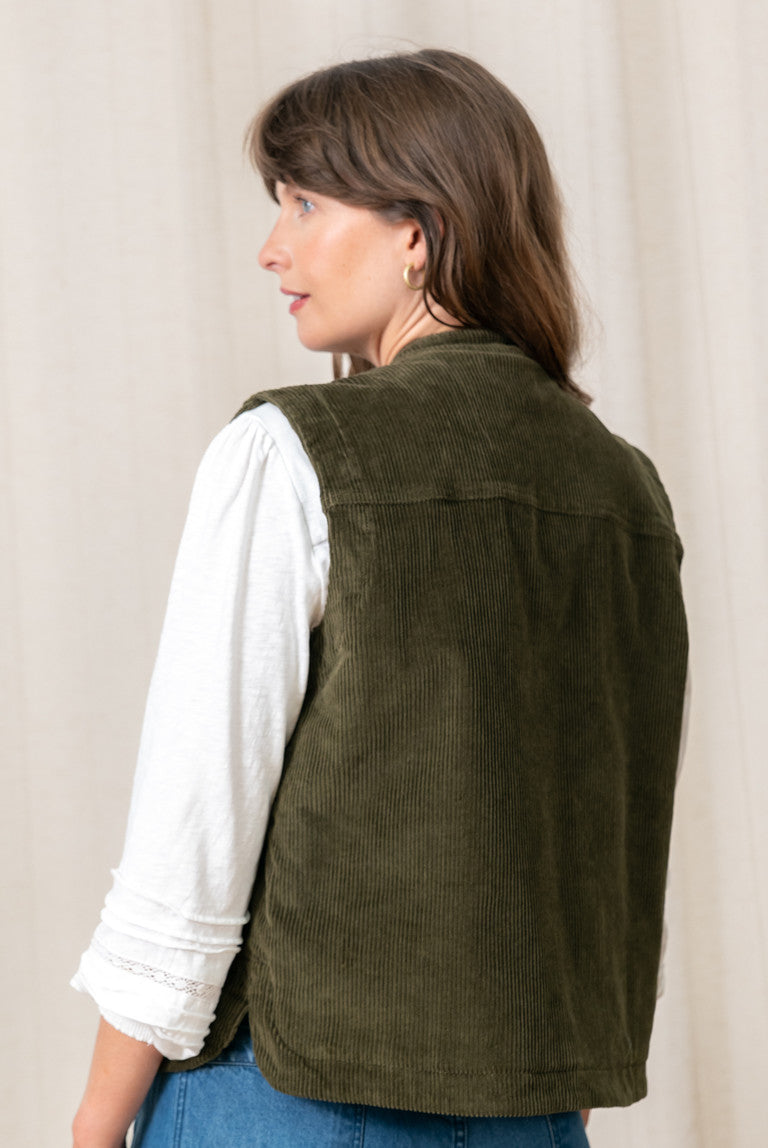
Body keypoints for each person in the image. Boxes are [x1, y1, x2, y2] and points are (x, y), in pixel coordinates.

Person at [71, 49, 688, 1148]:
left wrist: (93, 1121)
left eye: (306, 203)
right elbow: (613, 853)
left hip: (295, 1099)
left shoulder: (294, 451)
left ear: (419, 229)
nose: (274, 248)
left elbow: (193, 834)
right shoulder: (624, 490)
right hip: (535, 1111)